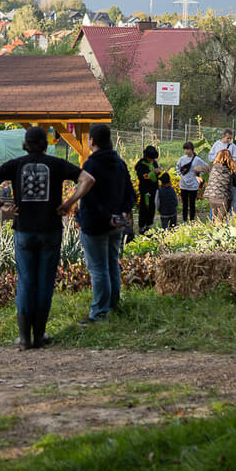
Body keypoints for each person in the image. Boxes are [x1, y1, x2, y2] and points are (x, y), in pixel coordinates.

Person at [0, 127, 81, 350]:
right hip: (50, 229)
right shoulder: (56, 164)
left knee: (26, 280)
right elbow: (88, 179)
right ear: (46, 145)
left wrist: (0, 205)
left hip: (24, 229)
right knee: (45, 281)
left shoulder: (16, 164)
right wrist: (69, 202)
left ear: (25, 144)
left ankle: (24, 338)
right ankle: (40, 335)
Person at [60, 123, 136, 324]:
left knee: (98, 268)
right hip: (116, 224)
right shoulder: (119, 163)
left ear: (92, 141)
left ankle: (99, 313)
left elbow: (90, 199)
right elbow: (131, 193)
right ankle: (113, 305)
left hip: (95, 225)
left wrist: (104, 216)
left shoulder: (91, 165)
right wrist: (122, 213)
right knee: (112, 263)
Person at [175, 142, 209, 222]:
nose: (186, 151)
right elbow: (177, 167)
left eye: (188, 149)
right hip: (183, 185)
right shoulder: (182, 158)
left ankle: (192, 220)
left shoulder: (197, 160)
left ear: (192, 149)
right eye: (185, 149)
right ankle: (184, 220)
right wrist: (181, 175)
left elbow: (206, 167)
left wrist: (198, 175)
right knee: (185, 204)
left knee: (192, 204)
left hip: (193, 185)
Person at [202, 148, 235, 222]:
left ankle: (212, 232)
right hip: (224, 199)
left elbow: (197, 168)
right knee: (220, 221)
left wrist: (197, 175)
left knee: (215, 219)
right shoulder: (230, 171)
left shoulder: (212, 168)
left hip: (212, 198)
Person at [134, 145, 161, 233]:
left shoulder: (154, 163)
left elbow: (157, 173)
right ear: (146, 156)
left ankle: (149, 224)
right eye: (151, 158)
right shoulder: (141, 165)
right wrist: (153, 173)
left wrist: (159, 172)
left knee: (152, 207)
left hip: (153, 189)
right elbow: (142, 176)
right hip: (145, 190)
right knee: (144, 207)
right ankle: (142, 226)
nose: (152, 160)